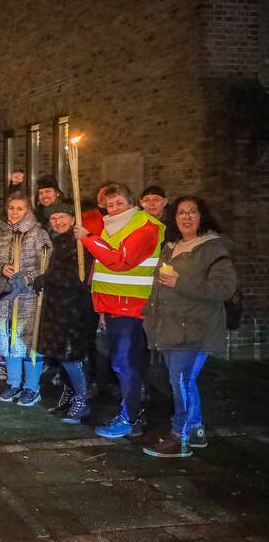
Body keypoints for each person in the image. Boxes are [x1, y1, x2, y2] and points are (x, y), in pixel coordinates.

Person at [141, 197, 236, 457]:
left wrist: (180, 282)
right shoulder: (171, 247)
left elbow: (224, 288)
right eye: (181, 213)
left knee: (180, 382)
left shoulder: (213, 248)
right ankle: (195, 430)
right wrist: (150, 314)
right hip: (171, 326)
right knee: (184, 381)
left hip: (196, 327)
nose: (186, 217)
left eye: (193, 212)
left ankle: (179, 437)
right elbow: (158, 287)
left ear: (202, 216)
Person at [74, 182, 164, 439]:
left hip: (132, 307)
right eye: (110, 205)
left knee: (126, 363)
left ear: (132, 203)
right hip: (116, 306)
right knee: (125, 363)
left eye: (119, 203)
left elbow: (119, 260)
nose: (113, 209)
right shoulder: (116, 226)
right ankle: (132, 411)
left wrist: (87, 238)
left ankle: (130, 416)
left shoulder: (144, 227)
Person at [0, 191, 52, 406]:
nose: (14, 212)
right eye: (11, 208)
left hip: (28, 296)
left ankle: (32, 387)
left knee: (28, 340)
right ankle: (13, 383)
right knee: (8, 339)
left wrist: (28, 276)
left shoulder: (37, 234)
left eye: (20, 208)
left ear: (28, 211)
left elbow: (46, 262)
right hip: (5, 295)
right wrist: (1, 268)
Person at [33, 203, 97, 423]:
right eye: (54, 218)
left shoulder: (79, 243)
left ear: (72, 219)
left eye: (62, 217)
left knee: (71, 356)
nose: (58, 222)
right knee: (60, 355)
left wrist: (47, 279)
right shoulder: (56, 242)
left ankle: (82, 398)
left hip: (73, 309)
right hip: (56, 308)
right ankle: (70, 394)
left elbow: (76, 278)